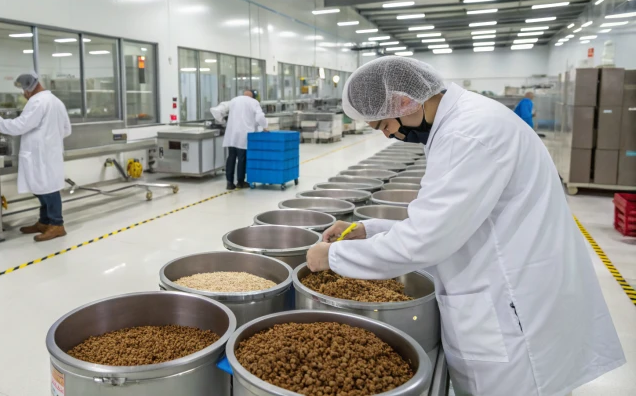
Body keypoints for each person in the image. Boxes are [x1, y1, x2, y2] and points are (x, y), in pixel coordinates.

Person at [307, 57, 625, 396]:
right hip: (501, 285)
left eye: (382, 124)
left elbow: (425, 240)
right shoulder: (461, 122)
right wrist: (367, 231)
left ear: (403, 101)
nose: (388, 134)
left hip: (514, 311)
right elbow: (446, 220)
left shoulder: (469, 133)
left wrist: (334, 256)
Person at [0, 72, 72, 242]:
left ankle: (57, 225)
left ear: (27, 90)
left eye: (23, 92)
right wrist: (50, 139)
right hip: (47, 152)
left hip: (40, 154)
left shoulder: (38, 102)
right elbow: (67, 130)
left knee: (49, 190)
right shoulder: (55, 101)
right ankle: (44, 221)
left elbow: (20, 126)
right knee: (42, 188)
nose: (24, 95)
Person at [222, 89, 267, 190]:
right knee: (242, 158)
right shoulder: (254, 102)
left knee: (231, 157)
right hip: (243, 134)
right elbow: (260, 117)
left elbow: (219, 110)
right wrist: (264, 126)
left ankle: (229, 183)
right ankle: (240, 182)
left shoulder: (233, 100)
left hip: (232, 133)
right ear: (252, 96)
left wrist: (222, 121)